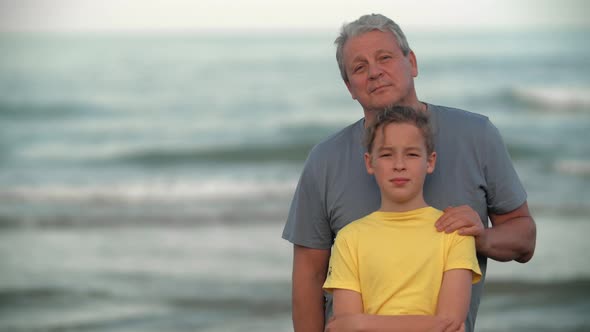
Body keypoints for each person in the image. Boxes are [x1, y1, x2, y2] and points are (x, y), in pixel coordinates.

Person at [282, 13, 536, 332]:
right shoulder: (325, 160)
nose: (374, 72)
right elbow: (309, 278)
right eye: (359, 67)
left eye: (384, 58)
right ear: (349, 86)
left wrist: (480, 238)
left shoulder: (477, 136)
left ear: (412, 63)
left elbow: (524, 237)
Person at [322, 105, 481, 332]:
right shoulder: (349, 239)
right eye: (387, 154)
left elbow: (451, 325)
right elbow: (345, 329)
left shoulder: (454, 232)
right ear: (370, 162)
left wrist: (363, 322)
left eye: (412, 154)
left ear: (430, 161)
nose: (399, 165)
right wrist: (428, 324)